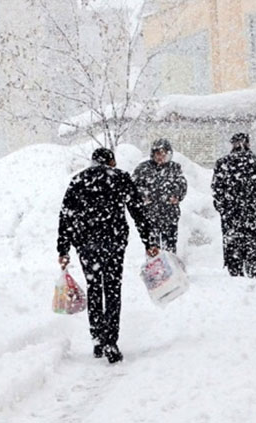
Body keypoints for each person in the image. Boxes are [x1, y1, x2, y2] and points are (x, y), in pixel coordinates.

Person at [57, 147, 159, 364]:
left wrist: (63, 249)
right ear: (111, 161)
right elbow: (137, 210)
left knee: (94, 287)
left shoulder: (79, 180)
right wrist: (149, 241)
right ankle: (110, 340)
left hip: (86, 243)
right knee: (112, 289)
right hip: (113, 242)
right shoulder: (120, 178)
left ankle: (97, 338)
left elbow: (66, 215)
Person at [211, 133, 256, 278]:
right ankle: (252, 269)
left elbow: (216, 189)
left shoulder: (223, 163)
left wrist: (222, 207)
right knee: (253, 241)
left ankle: (235, 271)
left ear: (232, 144)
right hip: (253, 210)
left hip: (231, 211)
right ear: (248, 143)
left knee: (233, 241)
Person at [132, 138, 187, 253]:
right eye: (158, 153)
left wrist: (176, 195)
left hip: (169, 214)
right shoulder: (143, 168)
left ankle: (171, 267)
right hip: (150, 214)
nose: (160, 156)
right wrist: (144, 196)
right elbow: (134, 187)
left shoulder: (174, 168)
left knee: (170, 245)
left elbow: (181, 184)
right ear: (153, 154)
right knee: (152, 247)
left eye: (164, 153)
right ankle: (154, 268)